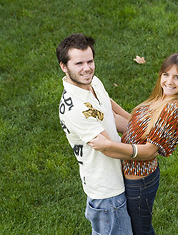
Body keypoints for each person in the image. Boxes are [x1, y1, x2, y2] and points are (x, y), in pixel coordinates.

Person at [88, 53, 178, 235]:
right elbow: (134, 126)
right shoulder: (160, 98)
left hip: (139, 183)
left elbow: (148, 152)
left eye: (177, 77)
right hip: (132, 178)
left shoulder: (173, 109)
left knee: (141, 231)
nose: (169, 81)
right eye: (166, 75)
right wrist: (106, 101)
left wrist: (108, 146)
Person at [57, 33, 155, 234]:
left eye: (90, 61)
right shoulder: (74, 108)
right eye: (79, 64)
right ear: (64, 67)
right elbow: (109, 148)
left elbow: (107, 109)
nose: (87, 68)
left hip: (117, 180)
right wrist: (144, 151)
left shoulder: (92, 83)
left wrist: (138, 125)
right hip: (107, 193)